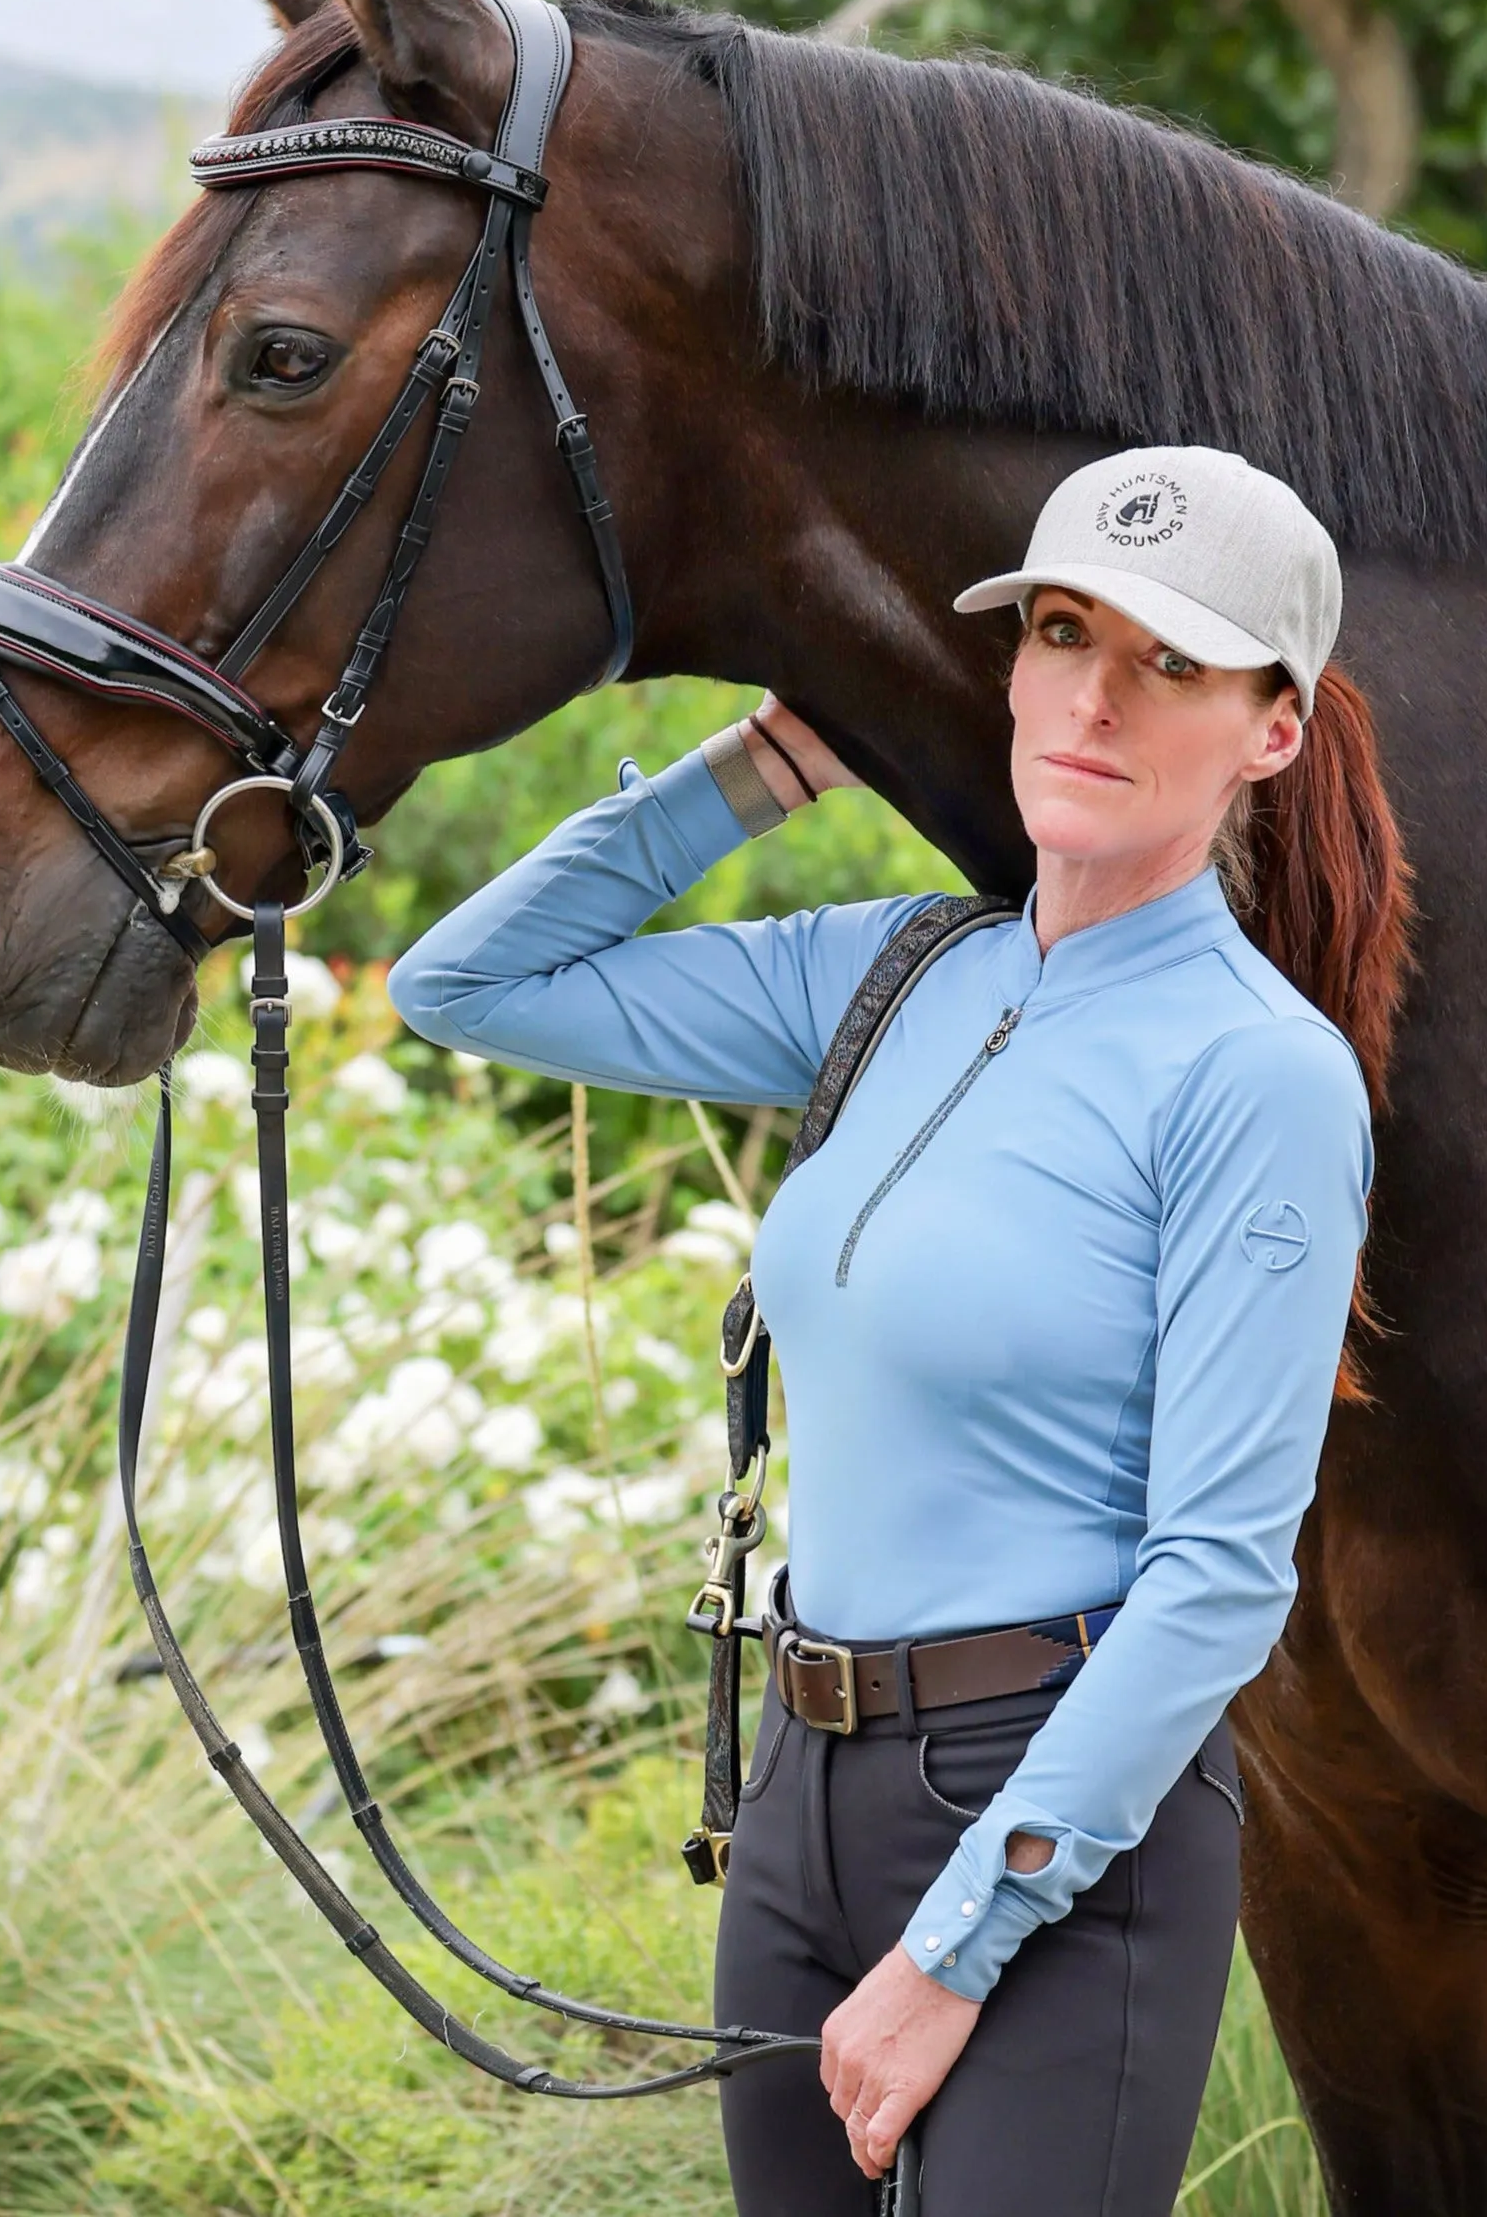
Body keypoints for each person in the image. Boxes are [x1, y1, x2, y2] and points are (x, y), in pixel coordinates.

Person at [389, 445, 1406, 2217]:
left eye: (1169, 660)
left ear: (1271, 729)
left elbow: (1221, 1577)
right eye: (1062, 632)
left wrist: (957, 1947)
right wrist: (767, 760)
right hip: (803, 1789)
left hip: (1054, 1821)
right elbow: (463, 983)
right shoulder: (897, 978)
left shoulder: (1255, 1075)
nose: (1093, 697)